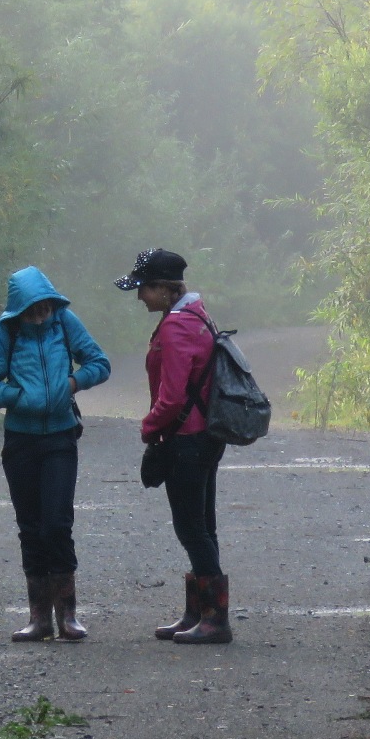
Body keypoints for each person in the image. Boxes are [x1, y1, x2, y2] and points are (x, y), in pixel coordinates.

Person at [0, 266, 111, 642]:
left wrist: (72, 382)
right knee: (31, 527)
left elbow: (100, 363)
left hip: (61, 438)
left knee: (57, 524)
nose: (40, 316)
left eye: (44, 309)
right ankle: (39, 619)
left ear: (52, 304)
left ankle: (69, 616)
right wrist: (19, 397)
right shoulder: (6, 331)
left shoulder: (65, 322)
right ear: (19, 310)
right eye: (32, 311)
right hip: (20, 441)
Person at [118, 247, 231, 645]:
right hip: (206, 435)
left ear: (165, 289)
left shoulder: (176, 326)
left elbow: (172, 395)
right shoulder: (198, 316)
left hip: (186, 438)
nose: (139, 297)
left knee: (190, 526)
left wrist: (149, 429)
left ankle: (214, 620)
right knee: (203, 524)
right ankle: (199, 613)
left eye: (144, 289)